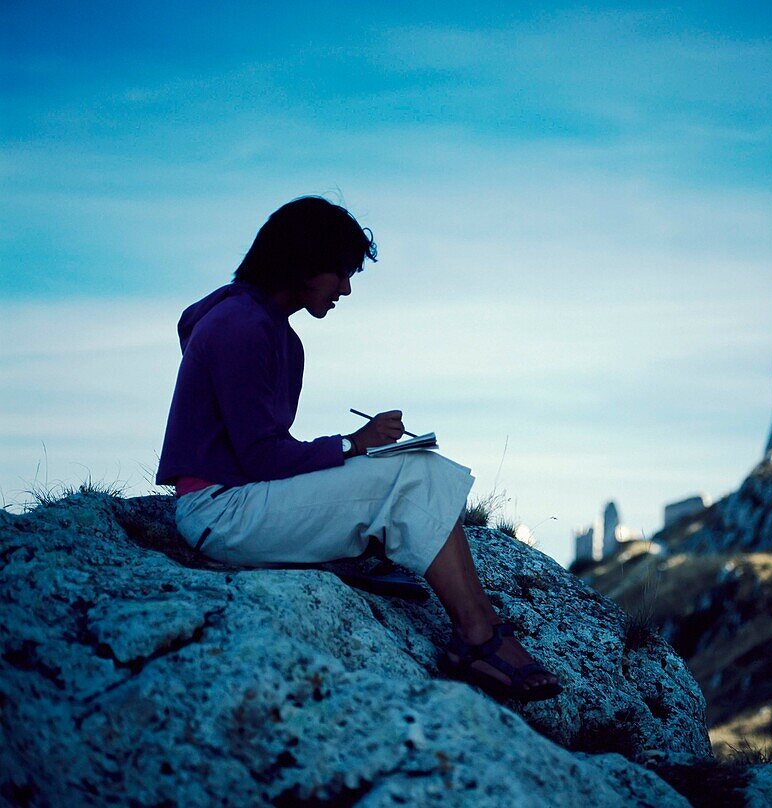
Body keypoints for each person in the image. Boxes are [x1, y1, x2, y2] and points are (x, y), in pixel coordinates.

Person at [155, 196, 561, 702]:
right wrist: (353, 443)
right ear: (304, 262)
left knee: (411, 467)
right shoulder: (239, 325)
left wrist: (355, 452)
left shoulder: (272, 332)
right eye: (340, 272)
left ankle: (471, 624)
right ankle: (479, 638)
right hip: (220, 512)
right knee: (411, 474)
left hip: (238, 500)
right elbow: (261, 457)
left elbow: (262, 447)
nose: (346, 288)